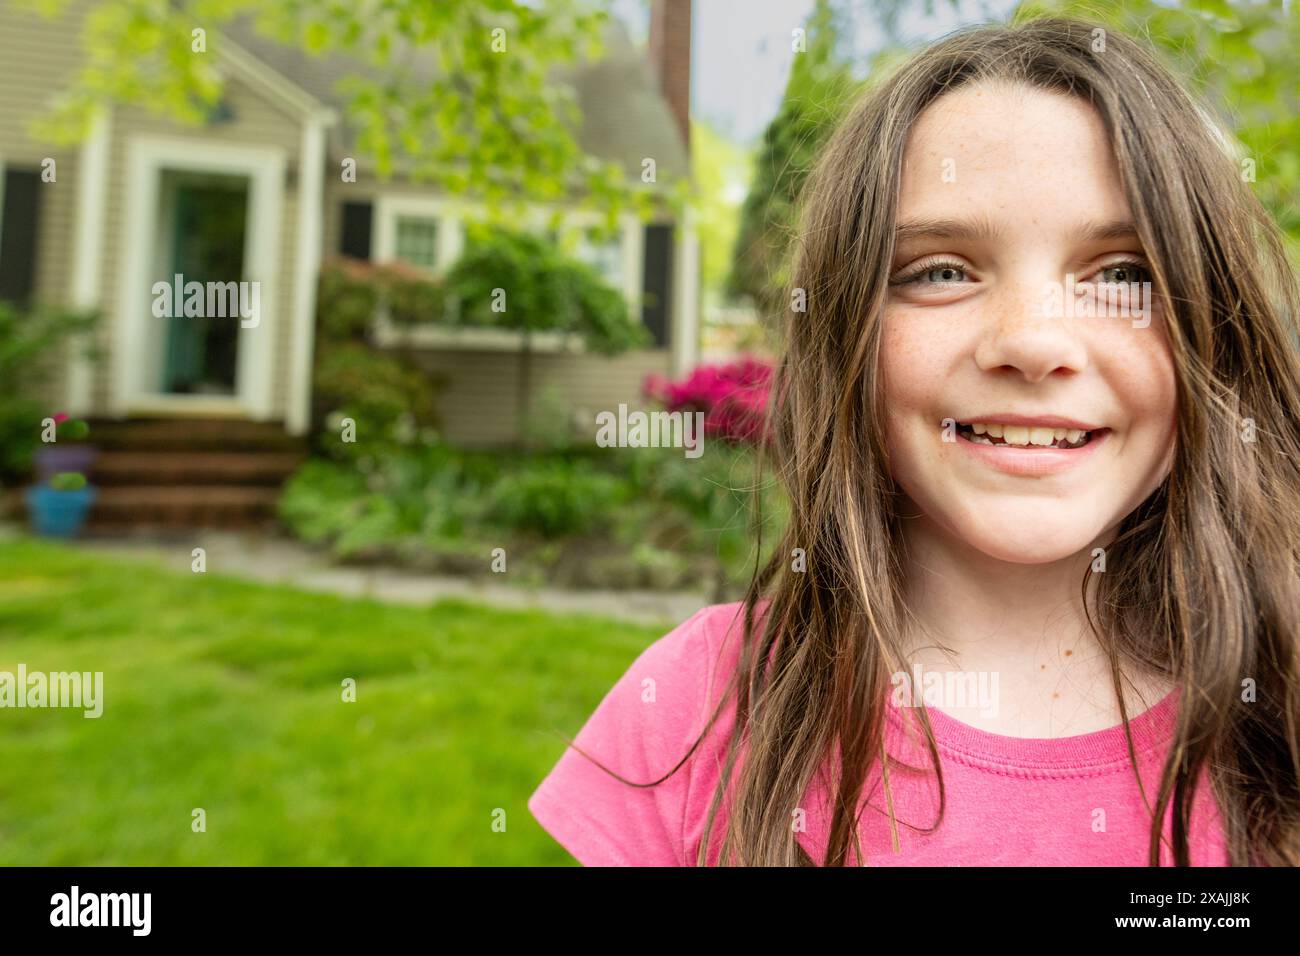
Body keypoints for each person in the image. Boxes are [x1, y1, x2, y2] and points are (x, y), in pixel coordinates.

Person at [528, 16, 1300, 866]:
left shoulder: (1284, 704)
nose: (1033, 342)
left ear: (1218, 334)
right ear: (845, 337)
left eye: (1123, 275)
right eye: (941, 271)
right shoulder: (694, 703)